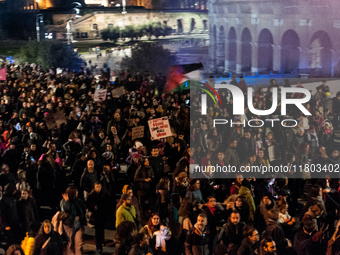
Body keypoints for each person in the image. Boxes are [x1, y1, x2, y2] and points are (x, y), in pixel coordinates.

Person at [60, 186, 86, 255]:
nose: (77, 192)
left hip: (78, 224)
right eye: (76, 191)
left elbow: (82, 210)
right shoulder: (63, 201)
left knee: (78, 243)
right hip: (69, 225)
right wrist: (67, 201)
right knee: (71, 244)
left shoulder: (78, 200)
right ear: (72, 193)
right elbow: (66, 211)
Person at [86, 181, 110, 253]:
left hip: (103, 215)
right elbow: (88, 205)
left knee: (101, 229)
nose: (98, 188)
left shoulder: (105, 194)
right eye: (96, 187)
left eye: (99, 187)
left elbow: (109, 203)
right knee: (97, 231)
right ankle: (98, 246)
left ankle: (102, 241)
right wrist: (93, 207)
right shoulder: (91, 195)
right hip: (96, 215)